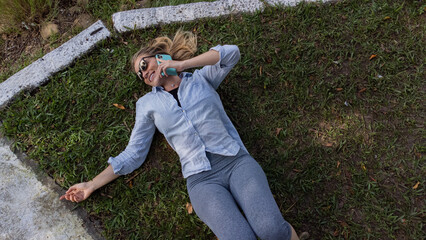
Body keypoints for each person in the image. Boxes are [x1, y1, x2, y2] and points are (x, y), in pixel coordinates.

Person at [60, 30, 306, 240]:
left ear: (160, 56)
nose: (144, 74)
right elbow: (134, 153)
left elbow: (231, 53)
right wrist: (90, 184)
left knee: (272, 231)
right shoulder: (147, 105)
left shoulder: (202, 79)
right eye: (140, 74)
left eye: (144, 65)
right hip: (201, 181)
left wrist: (182, 65)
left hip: (235, 161)